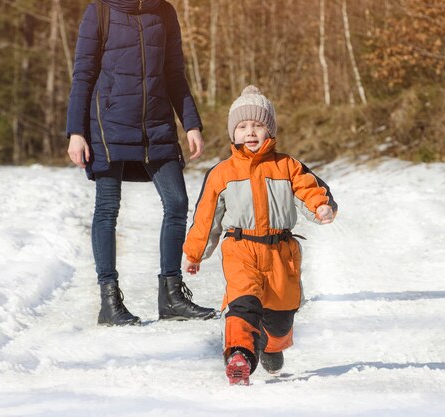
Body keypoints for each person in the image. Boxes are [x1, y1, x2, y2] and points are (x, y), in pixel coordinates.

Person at [66, 0, 215, 326]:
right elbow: (84, 74)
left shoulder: (165, 12)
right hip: (108, 126)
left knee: (177, 201)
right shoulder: (100, 11)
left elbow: (175, 72)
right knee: (107, 209)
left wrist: (191, 123)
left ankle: (172, 296)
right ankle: (109, 300)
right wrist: (76, 131)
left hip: (157, 126)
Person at [183, 85, 338, 385]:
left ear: (270, 131)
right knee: (242, 304)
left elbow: (310, 190)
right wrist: (195, 254)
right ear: (233, 133)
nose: (250, 132)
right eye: (242, 126)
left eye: (257, 125)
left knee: (280, 320)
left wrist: (322, 208)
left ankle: (271, 345)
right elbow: (206, 217)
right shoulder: (222, 173)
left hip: (282, 252)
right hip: (240, 249)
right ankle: (240, 355)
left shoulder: (287, 166)